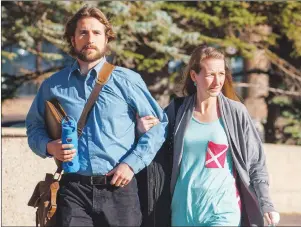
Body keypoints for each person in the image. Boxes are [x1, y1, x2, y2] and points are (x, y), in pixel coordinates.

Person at [26, 5, 168, 227]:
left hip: (119, 189)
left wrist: (131, 165)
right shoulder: (53, 85)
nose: (89, 38)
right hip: (73, 190)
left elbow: (160, 127)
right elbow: (34, 127)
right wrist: (48, 146)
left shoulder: (127, 81)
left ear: (106, 39)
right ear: (73, 40)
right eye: (83, 32)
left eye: (96, 33)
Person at [137, 45, 280, 226]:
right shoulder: (177, 111)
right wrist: (142, 130)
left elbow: (256, 163)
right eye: (210, 74)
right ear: (194, 76)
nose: (217, 81)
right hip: (183, 210)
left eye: (221, 74)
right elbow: (154, 143)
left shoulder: (236, 113)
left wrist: (266, 204)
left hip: (222, 211)